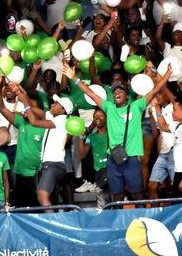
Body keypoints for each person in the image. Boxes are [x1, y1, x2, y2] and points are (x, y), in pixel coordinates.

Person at [64, 62, 173, 203]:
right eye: (115, 92)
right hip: (113, 159)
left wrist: (168, 73)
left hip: (131, 159)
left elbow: (154, 90)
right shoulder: (109, 107)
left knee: (137, 195)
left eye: (120, 91)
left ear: (127, 96)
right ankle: (118, 217)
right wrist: (74, 78)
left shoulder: (136, 107)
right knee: (117, 196)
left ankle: (140, 215)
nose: (117, 93)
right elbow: (90, 93)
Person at [20, 82, 73, 207]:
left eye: (56, 104)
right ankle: (54, 216)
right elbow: (35, 110)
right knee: (48, 197)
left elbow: (34, 121)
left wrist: (26, 105)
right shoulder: (55, 118)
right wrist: (20, 93)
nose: (52, 104)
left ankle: (51, 218)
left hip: (53, 164)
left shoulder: (61, 120)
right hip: (53, 164)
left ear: (63, 110)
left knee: (42, 195)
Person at [0, 78, 44, 207]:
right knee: (21, 201)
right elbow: (1, 108)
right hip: (21, 172)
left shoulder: (46, 126)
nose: (26, 110)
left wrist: (26, 103)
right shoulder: (21, 122)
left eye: (30, 109)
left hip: (37, 172)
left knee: (37, 201)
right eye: (26, 109)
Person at [76, 109, 110, 208]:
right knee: (102, 206)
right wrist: (80, 137)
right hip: (100, 174)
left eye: (101, 115)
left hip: (112, 171)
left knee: (115, 201)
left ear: (106, 118)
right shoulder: (91, 137)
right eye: (95, 116)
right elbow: (82, 155)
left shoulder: (112, 134)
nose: (97, 118)